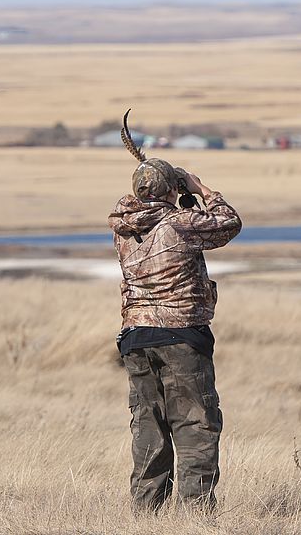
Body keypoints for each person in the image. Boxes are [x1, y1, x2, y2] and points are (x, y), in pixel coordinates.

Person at [108, 156, 242, 513]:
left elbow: (157, 208)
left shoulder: (124, 226)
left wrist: (171, 188)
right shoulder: (179, 224)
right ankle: (195, 515)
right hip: (180, 334)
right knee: (196, 424)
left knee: (148, 426)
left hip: (136, 336)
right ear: (170, 190)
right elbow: (229, 223)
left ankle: (145, 514)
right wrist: (200, 189)